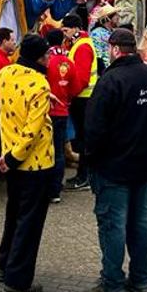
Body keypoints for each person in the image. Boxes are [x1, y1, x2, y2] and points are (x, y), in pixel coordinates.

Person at [81, 28, 147, 292]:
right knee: (141, 225)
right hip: (145, 166)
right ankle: (141, 280)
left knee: (113, 226)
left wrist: (91, 160)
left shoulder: (111, 81)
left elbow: (94, 129)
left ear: (115, 49)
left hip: (114, 169)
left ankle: (111, 286)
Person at [0, 34, 56, 292]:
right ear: (40, 58)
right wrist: (15, 157)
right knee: (29, 223)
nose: (50, 58)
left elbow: (14, 108)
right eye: (47, 54)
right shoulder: (40, 84)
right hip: (34, 163)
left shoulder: (5, 74)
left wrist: (8, 157)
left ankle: (5, 264)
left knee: (13, 213)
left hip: (9, 156)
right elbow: (32, 130)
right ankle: (17, 281)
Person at [63, 14, 99, 191]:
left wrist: (69, 95)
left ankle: (84, 177)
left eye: (66, 30)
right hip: (84, 97)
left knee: (83, 139)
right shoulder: (79, 44)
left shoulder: (82, 47)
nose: (64, 34)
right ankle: (84, 175)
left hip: (83, 98)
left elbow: (82, 78)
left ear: (75, 28)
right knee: (83, 138)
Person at [44, 29, 78, 204]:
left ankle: (44, 188)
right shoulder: (69, 61)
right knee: (59, 152)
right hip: (63, 112)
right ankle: (55, 190)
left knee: (44, 151)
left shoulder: (45, 61)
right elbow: (75, 87)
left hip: (45, 113)